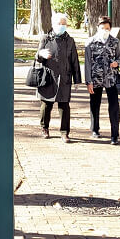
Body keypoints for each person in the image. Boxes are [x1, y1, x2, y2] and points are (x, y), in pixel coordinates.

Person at [36, 12, 83, 142]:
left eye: (64, 24)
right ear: (53, 24)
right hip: (48, 77)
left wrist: (77, 80)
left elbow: (75, 61)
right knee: (46, 104)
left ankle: (64, 132)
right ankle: (44, 128)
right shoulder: (45, 38)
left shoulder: (70, 40)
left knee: (64, 106)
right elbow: (37, 57)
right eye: (59, 23)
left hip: (64, 77)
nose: (61, 26)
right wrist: (41, 54)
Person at [84, 16, 120, 144]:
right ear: (98, 28)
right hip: (96, 79)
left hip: (111, 79)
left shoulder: (115, 42)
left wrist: (116, 63)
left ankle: (114, 134)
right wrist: (88, 81)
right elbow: (88, 63)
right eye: (102, 28)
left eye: (107, 28)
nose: (105, 30)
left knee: (114, 106)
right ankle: (95, 128)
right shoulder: (90, 42)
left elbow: (119, 58)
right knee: (95, 104)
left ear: (110, 29)